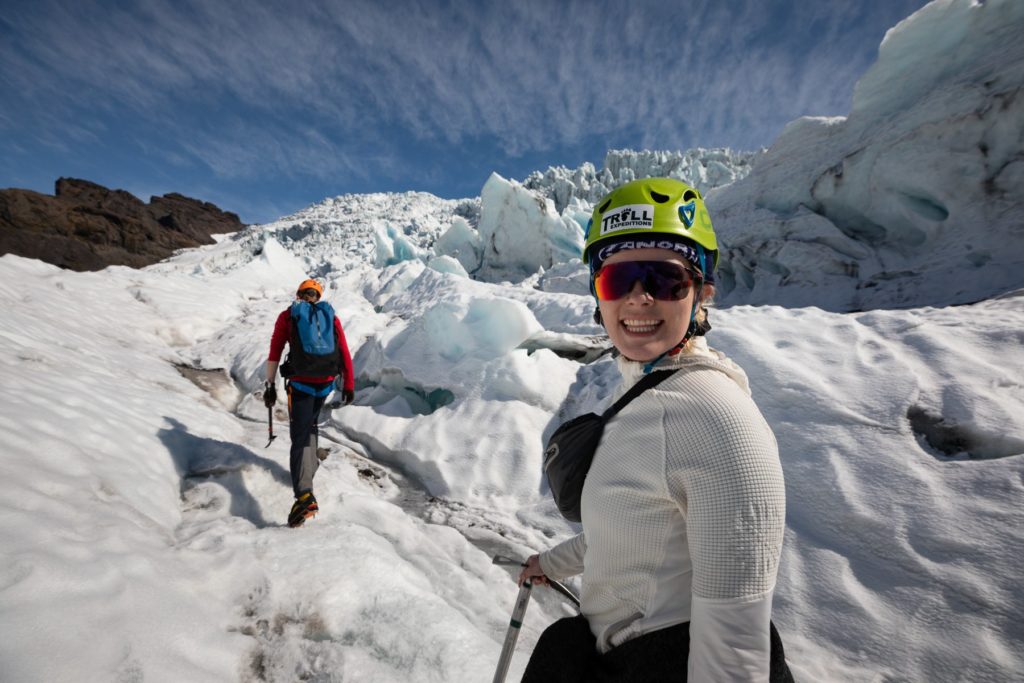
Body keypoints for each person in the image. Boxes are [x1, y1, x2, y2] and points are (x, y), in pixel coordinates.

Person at [518, 178, 793, 682]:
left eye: (664, 280)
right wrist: (550, 563)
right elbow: (623, 535)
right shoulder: (647, 399)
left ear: (701, 291)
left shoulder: (717, 420)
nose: (639, 300)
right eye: (617, 281)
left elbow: (734, 654)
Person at [264, 278, 355, 528]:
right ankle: (308, 470)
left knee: (300, 434)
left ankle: (304, 494)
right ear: (318, 295)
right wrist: (348, 383)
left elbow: (275, 349)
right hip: (325, 382)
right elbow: (344, 351)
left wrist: (270, 384)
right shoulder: (330, 316)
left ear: (299, 294)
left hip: (301, 384)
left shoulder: (289, 315)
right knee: (311, 425)